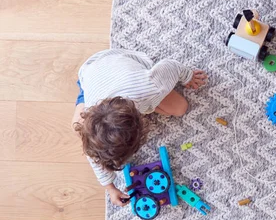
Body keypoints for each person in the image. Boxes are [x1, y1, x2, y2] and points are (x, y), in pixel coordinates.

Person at [71, 50, 207, 206]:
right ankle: (85, 96)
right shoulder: (90, 130)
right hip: (91, 75)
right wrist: (110, 187)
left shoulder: (150, 86)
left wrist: (188, 76)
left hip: (117, 63)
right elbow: (94, 154)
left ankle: (148, 102)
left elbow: (170, 66)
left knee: (180, 107)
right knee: (77, 128)